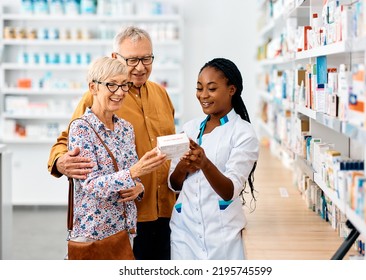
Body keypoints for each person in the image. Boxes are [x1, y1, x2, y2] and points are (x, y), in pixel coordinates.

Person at [48, 26, 177, 260]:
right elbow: (67, 139)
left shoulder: (161, 94)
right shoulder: (99, 96)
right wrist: (59, 162)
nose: (140, 66)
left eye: (146, 58)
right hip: (125, 219)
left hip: (166, 209)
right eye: (133, 59)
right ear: (115, 58)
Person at [67, 56, 166, 249]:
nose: (119, 92)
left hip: (126, 232)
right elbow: (90, 184)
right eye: (112, 85)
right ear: (93, 88)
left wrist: (139, 188)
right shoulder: (82, 129)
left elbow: (133, 177)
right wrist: (133, 173)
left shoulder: (126, 129)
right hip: (93, 235)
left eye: (124, 85)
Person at [169, 58, 259, 260]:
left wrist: (205, 164)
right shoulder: (190, 128)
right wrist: (184, 166)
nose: (203, 95)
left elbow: (230, 191)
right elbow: (174, 184)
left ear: (231, 90)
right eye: (199, 88)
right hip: (184, 232)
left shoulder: (243, 133)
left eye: (211, 89)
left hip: (222, 235)